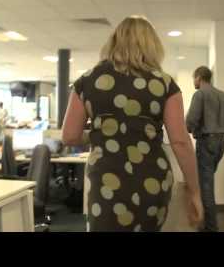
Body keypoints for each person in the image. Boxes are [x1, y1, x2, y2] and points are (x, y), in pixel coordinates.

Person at [62, 15, 203, 232]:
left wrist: (103, 133)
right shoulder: (164, 84)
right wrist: (194, 192)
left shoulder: (87, 81)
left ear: (114, 41)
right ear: (152, 46)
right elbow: (181, 142)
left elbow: (69, 136)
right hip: (152, 179)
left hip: (106, 180)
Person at [186, 66, 224, 232]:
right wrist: (219, 130)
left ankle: (211, 227)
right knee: (206, 183)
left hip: (206, 142)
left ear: (199, 77)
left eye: (194, 78)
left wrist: (193, 130)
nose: (194, 81)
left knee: (205, 186)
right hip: (221, 143)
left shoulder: (200, 94)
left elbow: (189, 123)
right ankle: (206, 223)